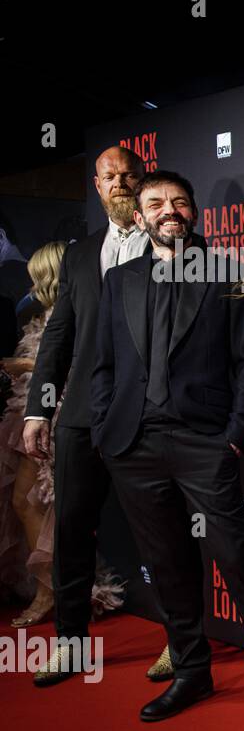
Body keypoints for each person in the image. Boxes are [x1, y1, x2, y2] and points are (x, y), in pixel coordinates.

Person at [90, 169, 244, 720]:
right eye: (156, 202)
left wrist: (236, 438)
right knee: (165, 563)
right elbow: (101, 364)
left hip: (204, 441)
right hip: (133, 443)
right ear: (139, 215)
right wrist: (105, 429)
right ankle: (192, 672)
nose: (169, 210)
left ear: (193, 212)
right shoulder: (118, 280)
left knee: (237, 557)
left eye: (179, 202)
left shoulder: (232, 272)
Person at [21, 147, 174, 684]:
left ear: (143, 180)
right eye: (111, 176)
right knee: (70, 531)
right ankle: (71, 643)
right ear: (97, 184)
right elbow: (58, 337)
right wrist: (39, 410)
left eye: (130, 174)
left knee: (162, 531)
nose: (121, 183)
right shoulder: (81, 254)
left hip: (146, 413)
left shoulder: (172, 243)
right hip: (82, 416)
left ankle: (179, 642)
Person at [1, 242, 125, 625]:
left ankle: (54, 593)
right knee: (26, 503)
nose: (32, 283)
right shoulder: (43, 314)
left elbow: (73, 364)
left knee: (46, 507)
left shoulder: (79, 311)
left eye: (38, 275)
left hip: (64, 417)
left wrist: (21, 364)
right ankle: (51, 589)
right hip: (34, 414)